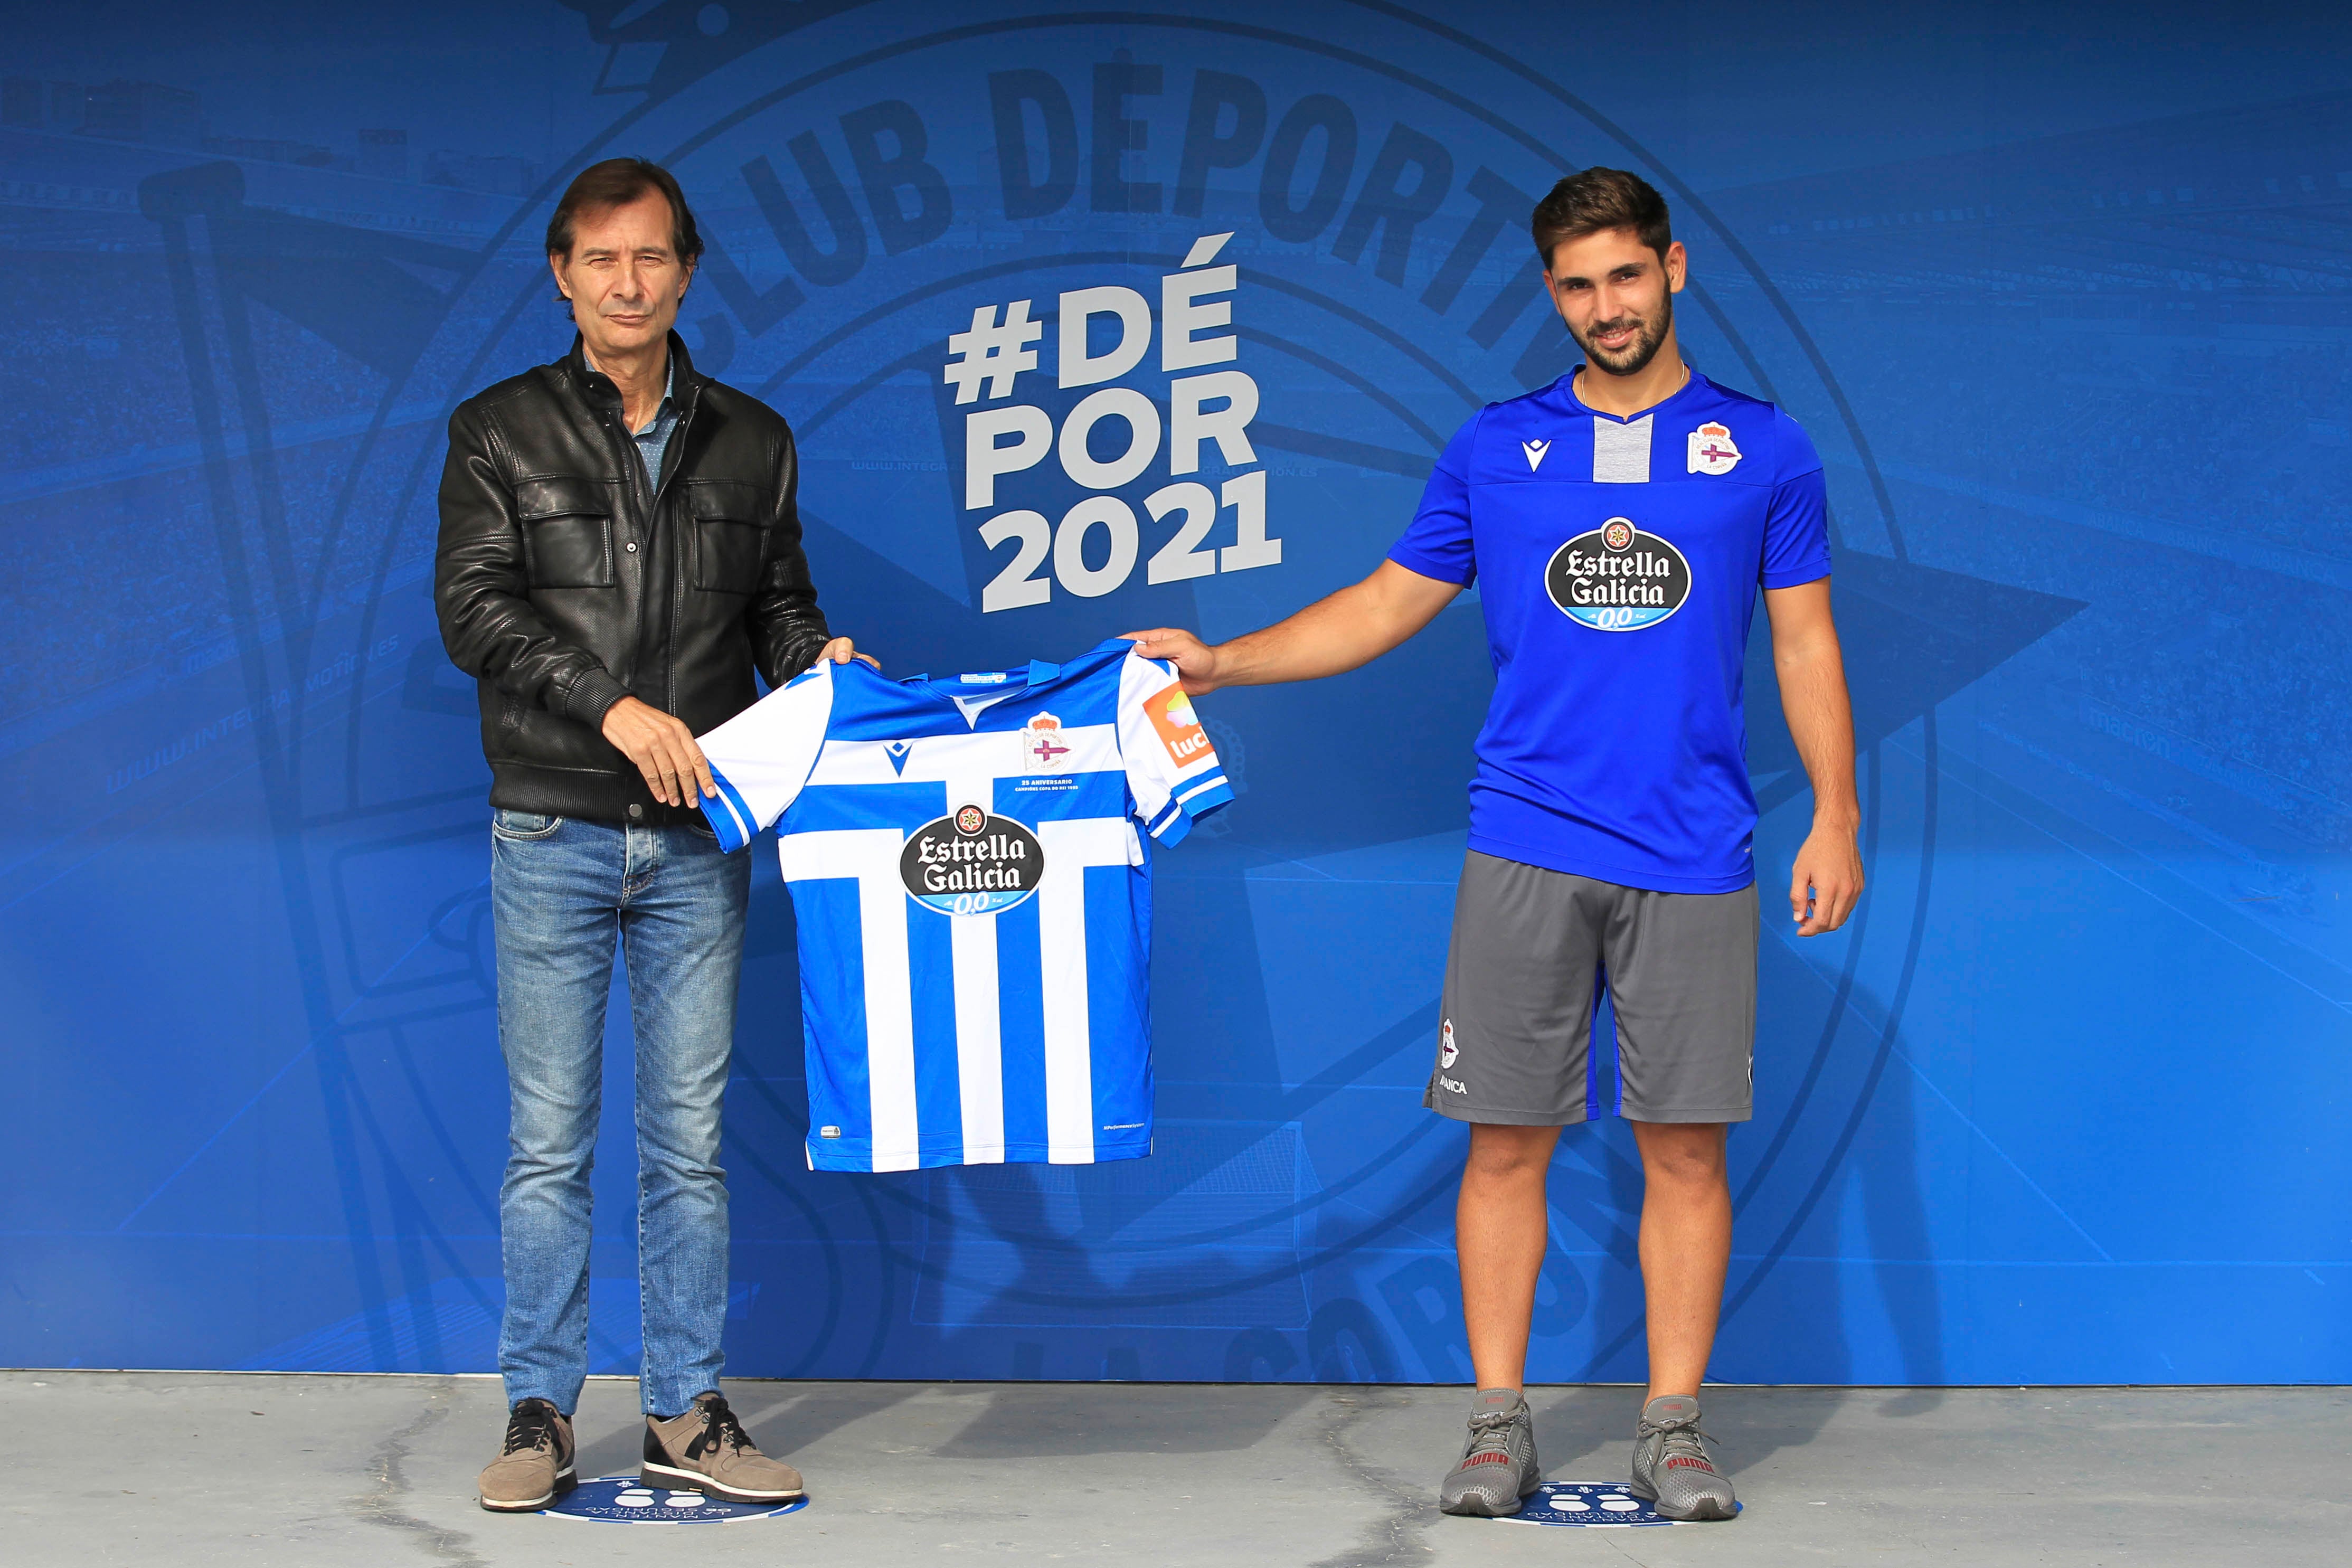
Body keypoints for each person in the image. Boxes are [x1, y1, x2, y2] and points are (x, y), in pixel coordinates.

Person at [1126, 167, 1860, 1523]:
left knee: (1684, 1153)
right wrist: (1224, 660)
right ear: (1552, 294)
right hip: (1524, 842)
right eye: (1577, 287)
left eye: (1625, 278)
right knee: (1504, 1144)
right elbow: (1384, 603)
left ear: (1673, 270)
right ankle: (1496, 1427)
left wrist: (1835, 813)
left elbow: (1806, 642)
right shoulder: (1497, 447)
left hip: (1693, 852)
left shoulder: (1764, 450)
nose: (1605, 308)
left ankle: (1673, 1429)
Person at [436, 157, 869, 1513]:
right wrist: (611, 708)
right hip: (552, 826)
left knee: (685, 1142)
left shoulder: (755, 436)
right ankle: (539, 1413)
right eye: (599, 260)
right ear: (562, 276)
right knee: (548, 1142)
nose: (627, 283)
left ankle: (686, 1410)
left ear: (687, 269)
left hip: (701, 841)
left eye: (652, 258)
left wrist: (818, 663)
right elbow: (476, 612)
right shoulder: (495, 429)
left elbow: (778, 608)